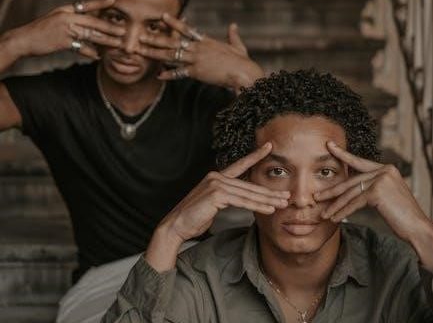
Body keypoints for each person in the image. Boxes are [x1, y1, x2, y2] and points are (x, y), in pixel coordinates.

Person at [0, 0, 263, 322]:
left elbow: (301, 165)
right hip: (104, 282)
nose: (128, 45)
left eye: (153, 27)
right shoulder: (57, 96)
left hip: (195, 273)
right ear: (94, 12)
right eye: (116, 19)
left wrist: (250, 78)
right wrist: (15, 43)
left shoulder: (206, 102)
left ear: (180, 27)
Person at [102, 69, 433, 323]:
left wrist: (422, 232)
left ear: (355, 178)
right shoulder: (201, 276)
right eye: (277, 171)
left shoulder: (397, 271)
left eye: (325, 172)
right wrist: (169, 232)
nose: (301, 198)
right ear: (246, 179)